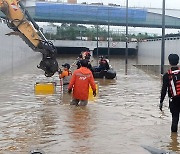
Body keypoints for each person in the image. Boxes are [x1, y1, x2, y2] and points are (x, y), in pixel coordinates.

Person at [159, 54, 180, 132]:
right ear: (178, 61)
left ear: (169, 62)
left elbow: (164, 90)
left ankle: (173, 140)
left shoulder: (166, 75)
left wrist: (161, 102)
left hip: (174, 100)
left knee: (175, 119)